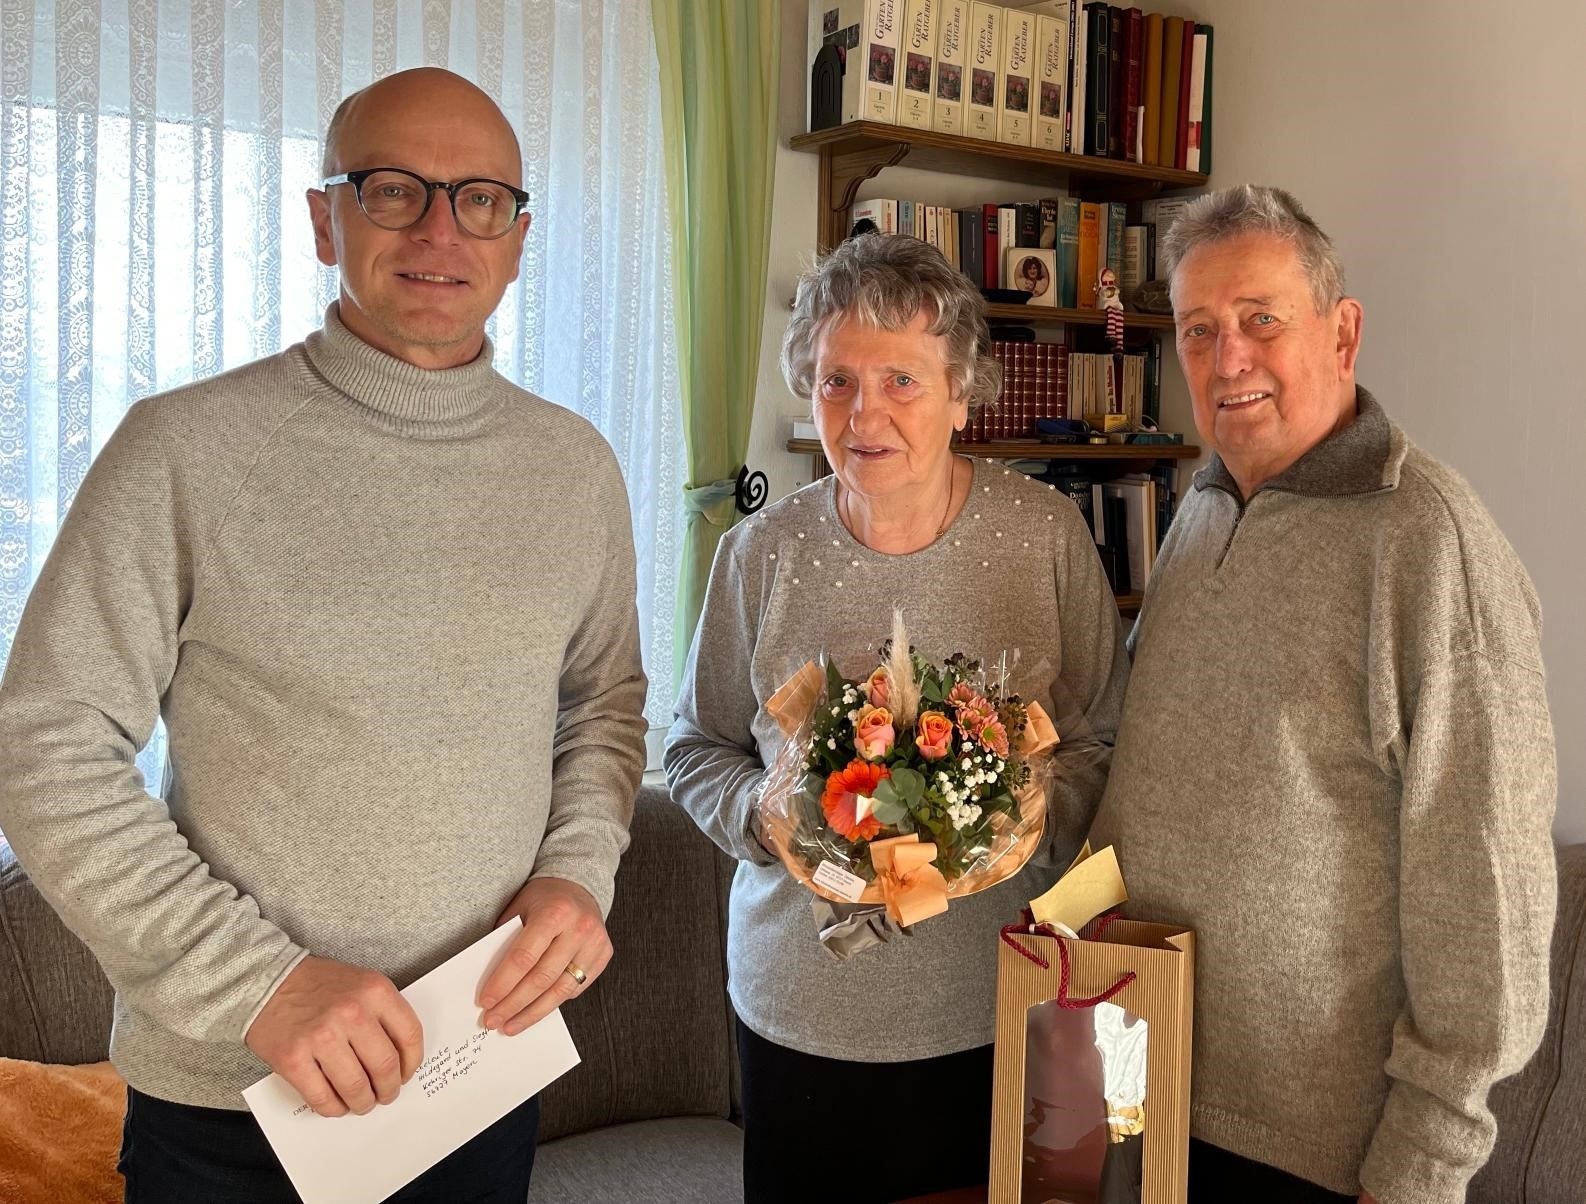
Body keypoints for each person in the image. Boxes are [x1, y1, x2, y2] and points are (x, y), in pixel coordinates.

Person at [0, 68, 647, 1203]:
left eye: (481, 199)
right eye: (393, 189)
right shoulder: (183, 449)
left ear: (518, 238)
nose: (440, 229)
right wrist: (261, 983)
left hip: (477, 1071)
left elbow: (603, 704)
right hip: (233, 1103)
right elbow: (44, 745)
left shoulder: (575, 468)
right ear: (323, 219)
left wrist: (576, 872)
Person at [1087, 184, 1557, 1204]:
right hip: (1137, 1077)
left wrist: (1418, 1170)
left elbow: (1488, 905)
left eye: (1261, 320)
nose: (1228, 359)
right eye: (1198, 329)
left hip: (1307, 1149)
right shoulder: (1202, 506)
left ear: (1342, 334)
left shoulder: (1431, 545)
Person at [666, 233, 1130, 1203]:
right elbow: (695, 748)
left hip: (999, 999)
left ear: (963, 394)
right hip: (800, 1008)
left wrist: (1024, 813)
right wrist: (764, 813)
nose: (863, 413)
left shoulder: (1043, 537)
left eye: (901, 381)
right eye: (836, 380)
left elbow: (1104, 740)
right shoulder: (760, 552)